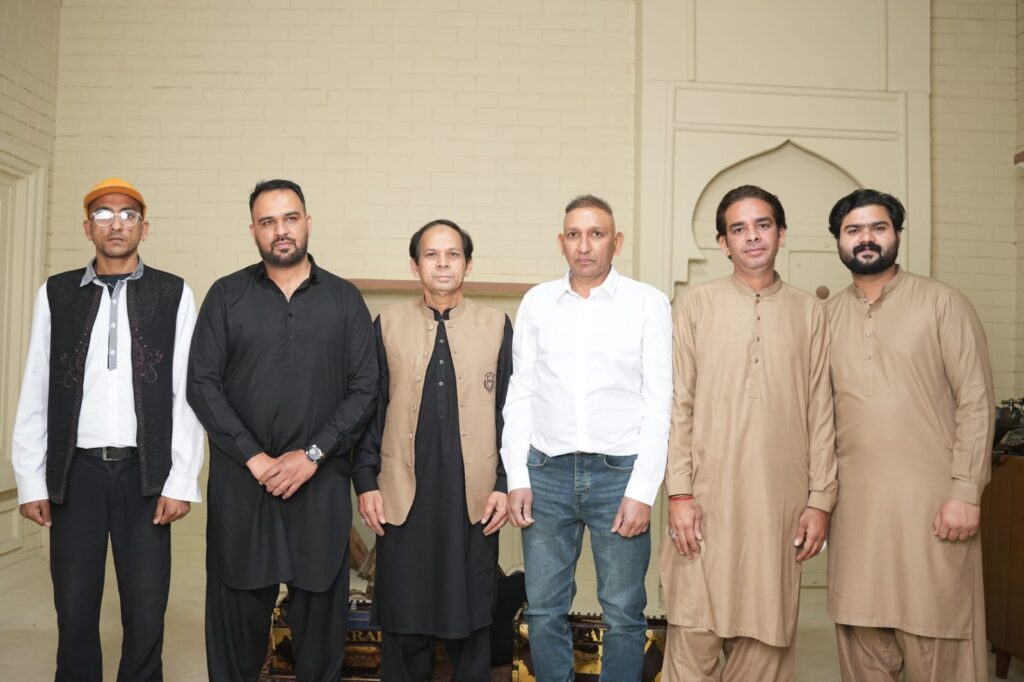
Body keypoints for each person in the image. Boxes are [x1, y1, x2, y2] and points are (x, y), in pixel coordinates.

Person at [11, 177, 204, 681]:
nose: (115, 224)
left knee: (146, 608)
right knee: (74, 608)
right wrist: (31, 479)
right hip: (76, 473)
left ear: (144, 227)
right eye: (102, 214)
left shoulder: (174, 292)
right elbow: (36, 386)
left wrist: (181, 480)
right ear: (87, 228)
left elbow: (186, 392)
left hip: (146, 474)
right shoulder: (57, 293)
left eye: (127, 215)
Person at [187, 179, 377, 682]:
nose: (281, 230)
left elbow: (365, 389)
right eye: (267, 222)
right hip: (243, 489)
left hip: (319, 486)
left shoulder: (344, 299)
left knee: (320, 642)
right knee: (235, 640)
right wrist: (255, 457)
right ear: (253, 230)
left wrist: (311, 454)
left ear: (307, 222)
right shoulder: (225, 296)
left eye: (290, 218)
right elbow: (201, 385)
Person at [660, 185, 837, 681]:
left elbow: (822, 411)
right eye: (738, 229)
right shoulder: (695, 305)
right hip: (704, 499)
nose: (752, 236)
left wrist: (820, 500)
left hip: (777, 503)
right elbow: (678, 404)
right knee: (692, 632)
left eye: (763, 225)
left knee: (766, 636)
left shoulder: (809, 311)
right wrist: (679, 492)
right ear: (723, 243)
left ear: (782, 233)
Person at [501, 194, 672, 682]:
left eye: (596, 234)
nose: (584, 245)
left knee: (623, 611)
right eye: (574, 235)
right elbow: (521, 392)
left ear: (616, 242)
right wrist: (517, 476)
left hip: (619, 475)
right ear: (561, 242)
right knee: (543, 609)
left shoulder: (647, 303)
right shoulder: (537, 303)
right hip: (546, 472)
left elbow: (659, 403)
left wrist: (642, 491)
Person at [824, 189, 993, 681]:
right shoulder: (826, 317)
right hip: (856, 510)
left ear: (896, 234)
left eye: (878, 227)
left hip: (934, 503)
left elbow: (976, 401)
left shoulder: (943, 303)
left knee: (937, 633)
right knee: (862, 635)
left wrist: (966, 492)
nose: (866, 238)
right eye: (854, 230)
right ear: (839, 240)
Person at [353, 219, 512, 681]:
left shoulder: (496, 326)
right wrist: (365, 482)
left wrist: (505, 484)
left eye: (453, 254)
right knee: (405, 618)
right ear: (414, 265)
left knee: (473, 617)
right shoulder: (386, 324)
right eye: (431, 254)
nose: (443, 263)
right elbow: (369, 410)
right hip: (402, 494)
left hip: (473, 498)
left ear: (468, 264)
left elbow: (511, 412)